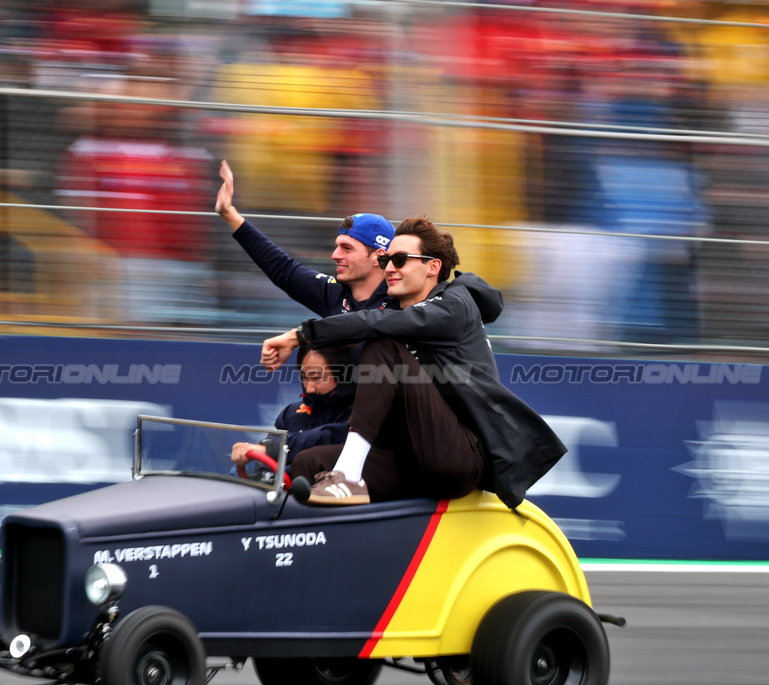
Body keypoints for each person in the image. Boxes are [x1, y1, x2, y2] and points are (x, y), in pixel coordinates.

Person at [259, 216, 565, 508]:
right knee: (309, 462)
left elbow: (375, 323)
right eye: (384, 260)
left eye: (400, 259)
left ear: (433, 266)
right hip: (406, 457)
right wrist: (233, 219)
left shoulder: (457, 303)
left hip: (456, 459)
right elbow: (298, 280)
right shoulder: (393, 313)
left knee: (383, 347)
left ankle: (349, 477)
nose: (389, 268)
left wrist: (298, 336)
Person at [215, 160, 393, 317]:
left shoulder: (407, 302)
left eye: (347, 248)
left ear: (378, 256)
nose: (335, 255)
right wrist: (228, 213)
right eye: (337, 246)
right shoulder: (334, 293)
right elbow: (282, 269)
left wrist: (303, 336)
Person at [230, 346, 356, 474]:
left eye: (316, 378)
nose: (309, 388)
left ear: (341, 376)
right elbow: (264, 466)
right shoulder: (291, 413)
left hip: (328, 491)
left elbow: (331, 435)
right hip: (281, 491)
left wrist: (273, 450)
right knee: (238, 470)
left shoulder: (359, 414)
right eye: (305, 378)